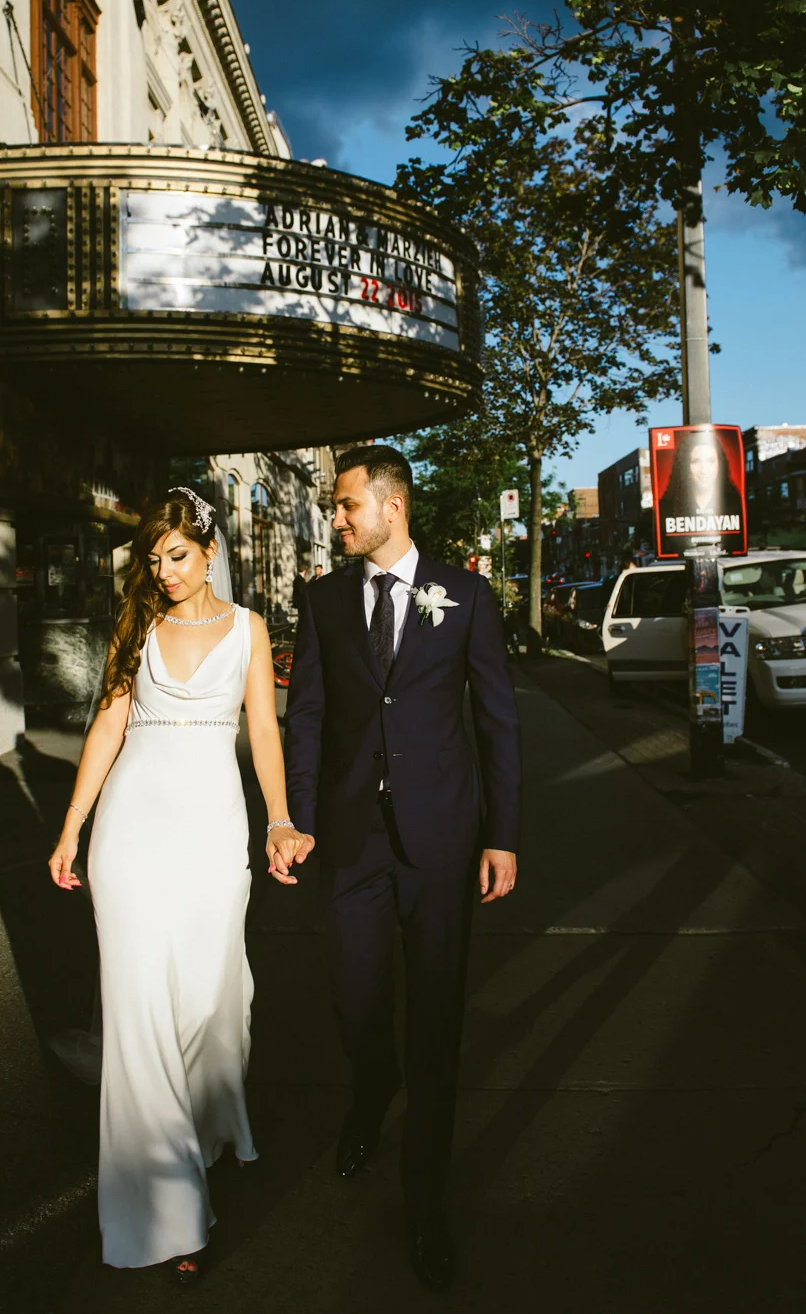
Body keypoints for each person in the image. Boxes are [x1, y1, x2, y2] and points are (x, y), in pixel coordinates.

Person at [48, 486, 312, 1282]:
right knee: (139, 1015)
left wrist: (278, 818)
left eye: (178, 556)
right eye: (154, 559)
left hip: (212, 833)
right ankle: (168, 1212)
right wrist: (72, 828)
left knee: (206, 1001)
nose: (163, 572)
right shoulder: (137, 623)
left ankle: (204, 1129)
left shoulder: (250, 631)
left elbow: (264, 728)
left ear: (210, 554)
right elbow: (107, 725)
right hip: (131, 832)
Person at [283, 445, 521, 1290]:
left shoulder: (465, 593)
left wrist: (504, 834)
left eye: (346, 505)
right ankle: (370, 1082)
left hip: (442, 839)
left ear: (392, 506)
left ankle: (426, 1202)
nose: (336, 518)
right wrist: (295, 818)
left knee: (437, 1021)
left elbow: (496, 720)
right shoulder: (322, 601)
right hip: (351, 839)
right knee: (354, 999)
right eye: (335, 506)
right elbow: (305, 716)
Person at [658, 429, 743, 549]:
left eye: (710, 461)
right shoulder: (666, 509)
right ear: (685, 466)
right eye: (696, 461)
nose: (704, 470)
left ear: (720, 463)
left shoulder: (735, 504)